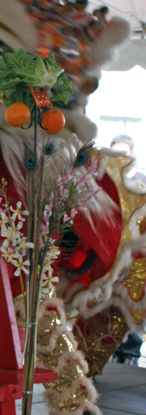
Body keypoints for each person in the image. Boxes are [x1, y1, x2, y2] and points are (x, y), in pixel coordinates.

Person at [109, 134, 145, 366]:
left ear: (131, 154)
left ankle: (131, 351)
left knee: (135, 300)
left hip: (136, 254)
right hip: (110, 252)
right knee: (108, 302)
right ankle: (108, 348)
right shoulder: (106, 181)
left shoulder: (142, 182)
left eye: (123, 153)